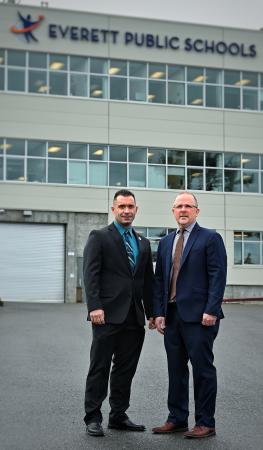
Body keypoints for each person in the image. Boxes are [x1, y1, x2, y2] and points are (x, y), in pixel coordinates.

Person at [152, 191, 227, 439]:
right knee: (176, 370)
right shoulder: (165, 242)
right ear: (173, 211)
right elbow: (160, 280)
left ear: (197, 211)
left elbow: (218, 276)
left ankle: (206, 422)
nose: (183, 210)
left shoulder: (210, 238)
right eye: (178, 206)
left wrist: (211, 310)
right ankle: (177, 418)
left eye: (188, 206)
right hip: (171, 316)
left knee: (203, 370)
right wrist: (159, 312)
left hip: (200, 318)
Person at [83, 189, 155, 437]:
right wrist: (94, 306)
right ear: (113, 209)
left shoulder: (143, 243)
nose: (126, 210)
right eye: (121, 206)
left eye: (130, 206)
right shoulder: (100, 237)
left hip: (134, 317)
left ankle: (118, 415)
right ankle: (93, 417)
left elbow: (147, 281)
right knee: (100, 367)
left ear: (136, 210)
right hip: (106, 315)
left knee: (126, 369)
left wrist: (153, 313)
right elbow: (90, 274)